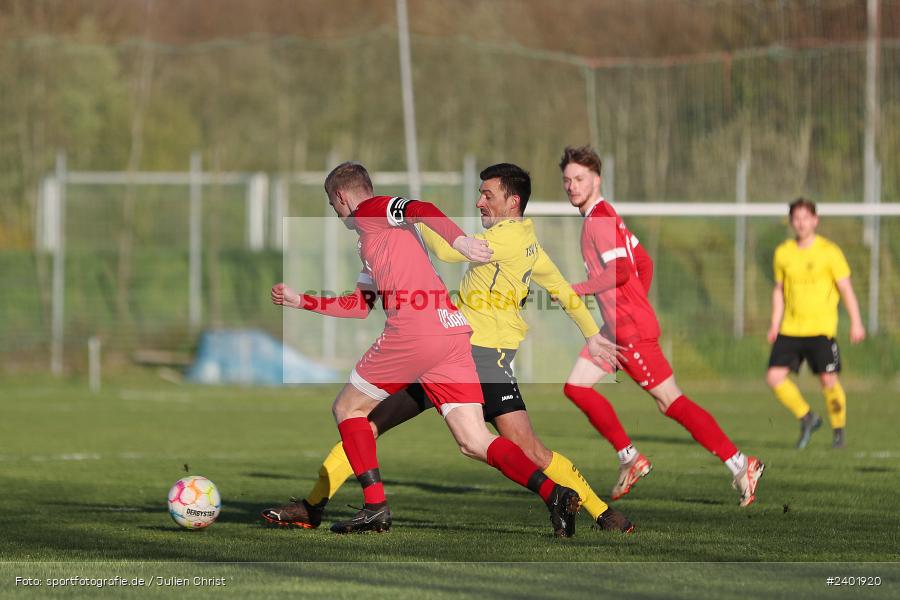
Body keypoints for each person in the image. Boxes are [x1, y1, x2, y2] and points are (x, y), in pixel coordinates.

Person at [261, 163, 634, 534]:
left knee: (359, 415)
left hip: (475, 352)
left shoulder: (501, 240)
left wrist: (441, 233)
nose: (479, 202)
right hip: (459, 343)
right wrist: (592, 335)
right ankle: (315, 506)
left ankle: (347, 507)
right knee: (462, 439)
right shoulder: (529, 245)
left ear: (513, 202)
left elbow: (443, 243)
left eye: (487, 195)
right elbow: (563, 292)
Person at [557, 145, 765, 507]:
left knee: (671, 401)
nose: (572, 186)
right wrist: (632, 305)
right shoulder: (605, 215)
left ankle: (740, 464)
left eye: (579, 179)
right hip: (619, 328)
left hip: (630, 330)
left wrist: (580, 291)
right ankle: (630, 458)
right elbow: (644, 263)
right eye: (567, 180)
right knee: (576, 387)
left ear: (597, 180)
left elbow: (622, 270)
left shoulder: (600, 219)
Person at [765, 198, 865, 449]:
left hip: (821, 329)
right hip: (791, 328)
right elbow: (779, 290)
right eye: (796, 218)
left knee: (828, 380)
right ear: (791, 222)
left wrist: (856, 321)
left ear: (815, 220)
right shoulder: (783, 252)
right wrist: (774, 323)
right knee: (774, 377)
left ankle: (838, 432)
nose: (801, 223)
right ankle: (808, 417)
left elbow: (846, 288)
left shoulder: (830, 251)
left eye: (805, 218)